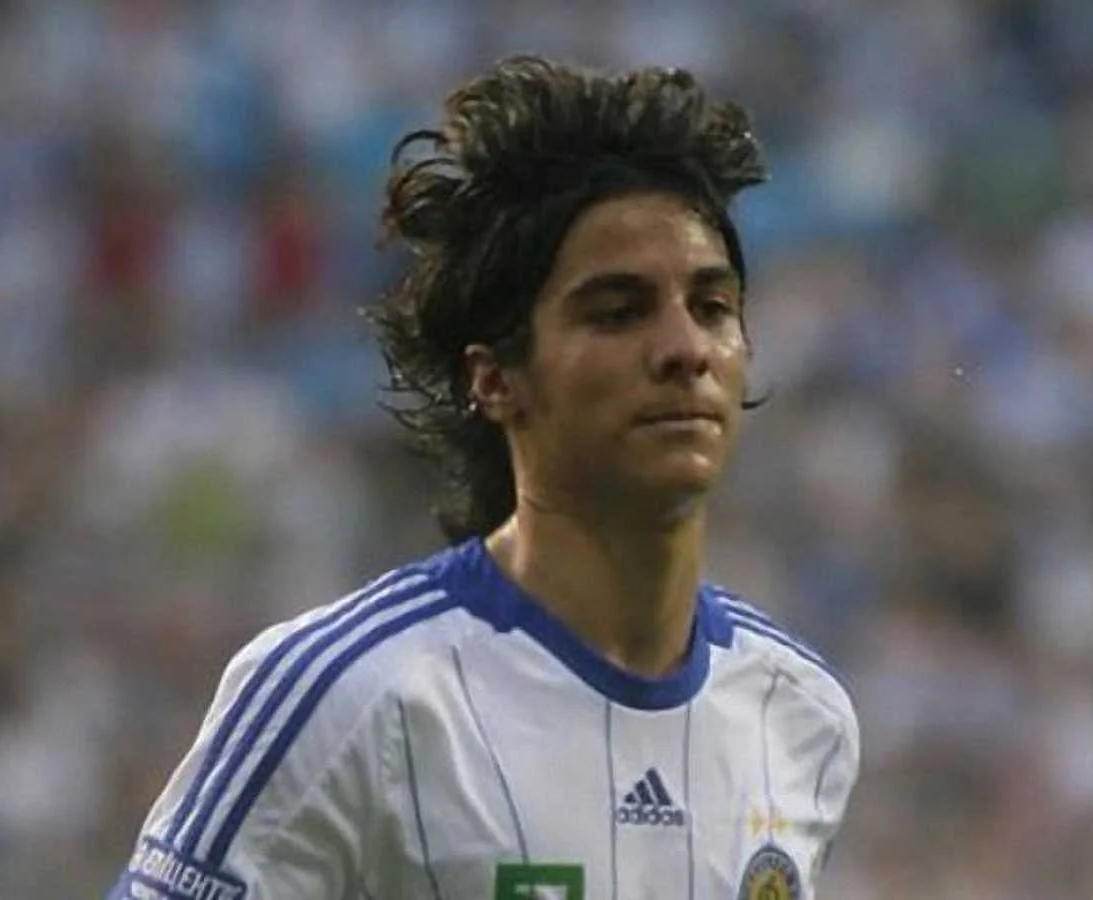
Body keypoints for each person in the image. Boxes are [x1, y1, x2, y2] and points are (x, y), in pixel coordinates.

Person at [107, 55, 859, 900]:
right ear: (495, 379)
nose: (685, 348)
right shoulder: (351, 694)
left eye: (713, 308)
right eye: (618, 312)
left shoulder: (801, 714)